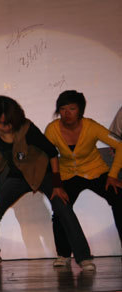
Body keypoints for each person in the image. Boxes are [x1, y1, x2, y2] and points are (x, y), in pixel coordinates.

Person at [0, 95, 94, 274]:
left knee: (63, 207)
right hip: (17, 176)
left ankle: (84, 258)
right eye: (1, 123)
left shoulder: (27, 128)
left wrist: (57, 185)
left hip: (41, 172)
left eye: (8, 123)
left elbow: (52, 153)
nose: (5, 127)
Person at [44, 90, 122, 267]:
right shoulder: (52, 128)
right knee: (60, 206)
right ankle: (63, 254)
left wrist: (113, 174)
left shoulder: (90, 126)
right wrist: (56, 183)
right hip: (68, 174)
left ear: (80, 110)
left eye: (72, 108)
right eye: (63, 109)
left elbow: (119, 144)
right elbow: (46, 154)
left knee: (119, 198)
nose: (67, 113)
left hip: (95, 171)